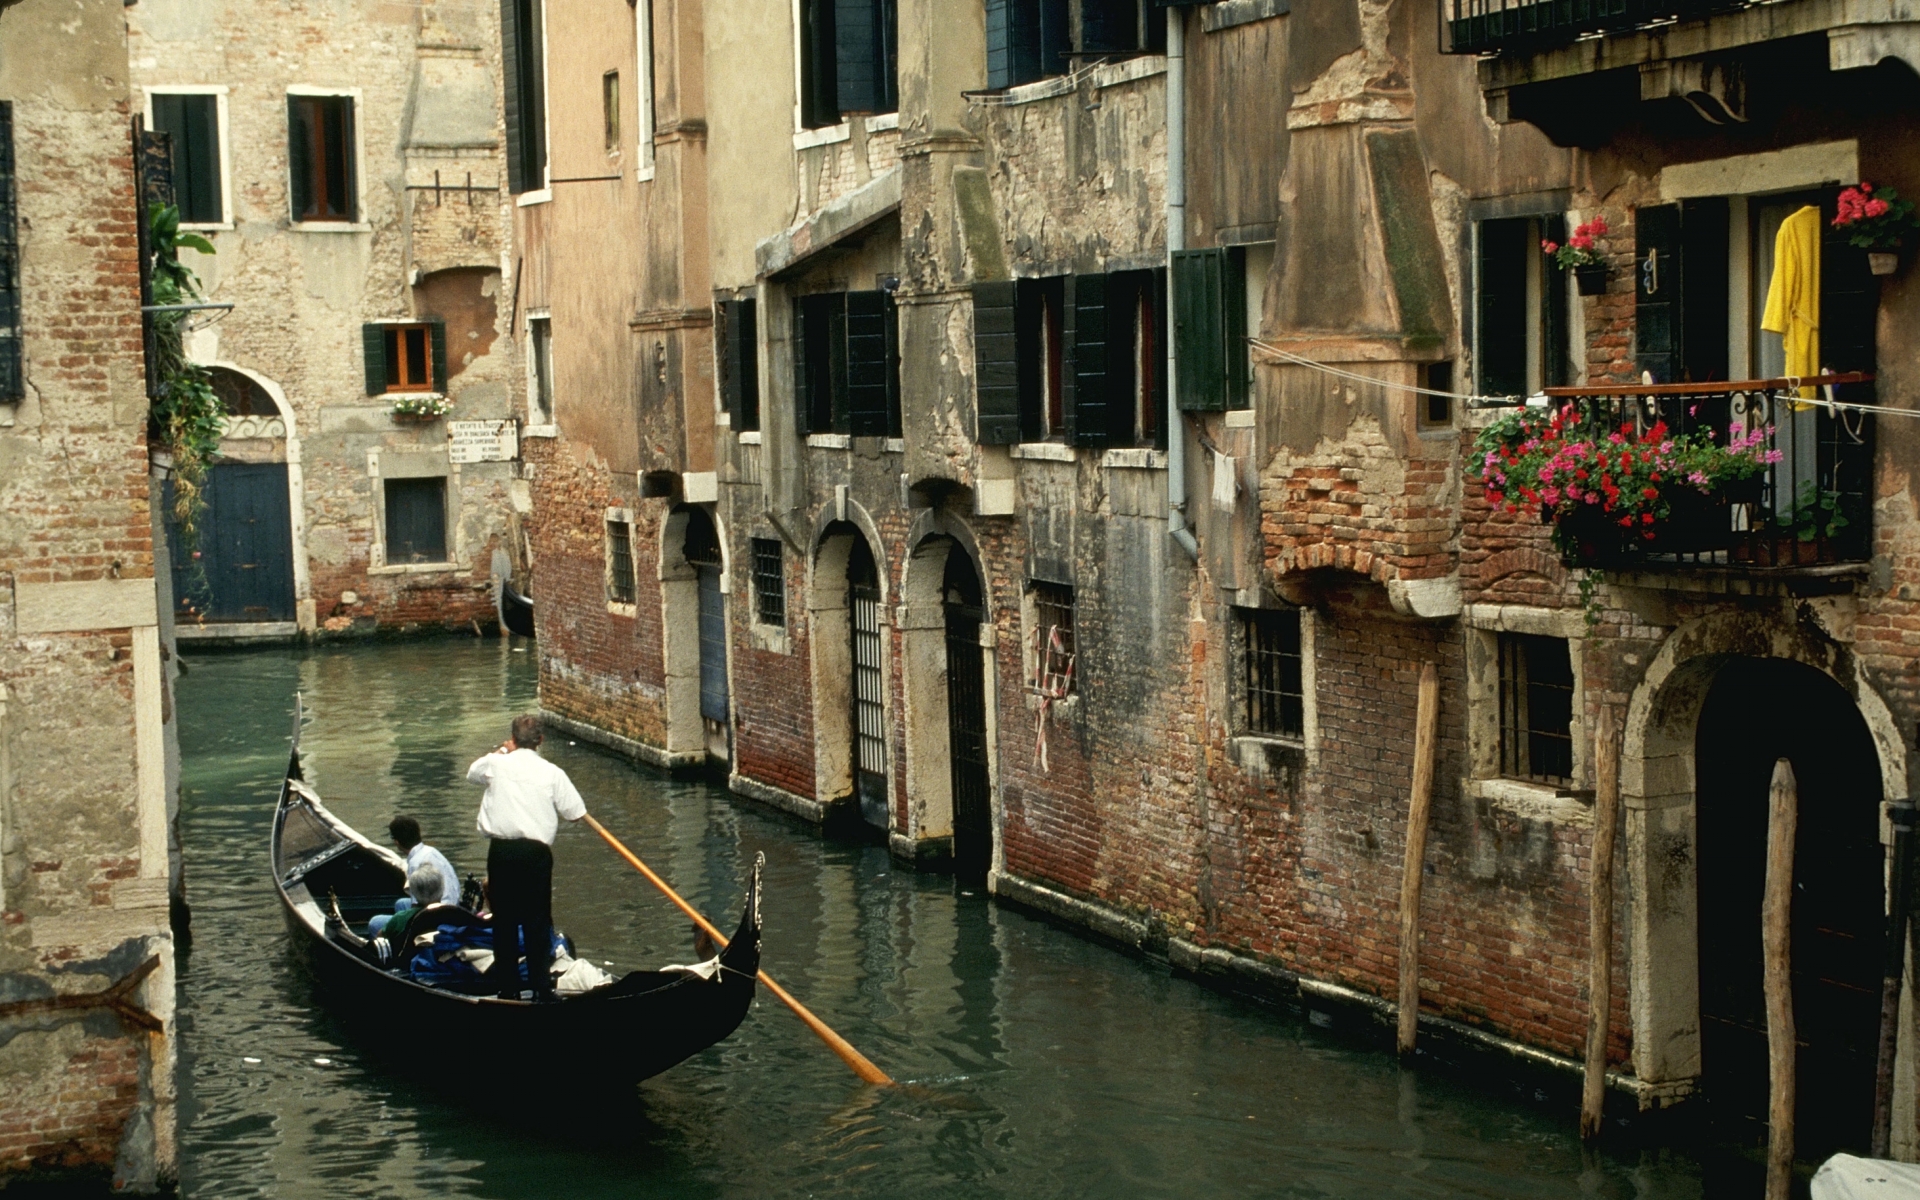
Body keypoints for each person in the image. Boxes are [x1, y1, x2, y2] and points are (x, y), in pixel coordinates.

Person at [467, 714, 586, 1001]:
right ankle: (541, 989)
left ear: (513, 738)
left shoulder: (496, 763)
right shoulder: (552, 772)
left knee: (504, 921)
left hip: (503, 852)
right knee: (537, 921)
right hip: (535, 855)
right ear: (540, 741)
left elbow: (472, 773)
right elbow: (575, 814)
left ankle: (508, 992)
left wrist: (502, 751)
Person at [386, 815, 457, 912]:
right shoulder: (431, 851)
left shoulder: (416, 863)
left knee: (375, 922)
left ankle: (406, 927)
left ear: (397, 842)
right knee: (401, 903)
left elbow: (417, 905)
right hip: (454, 906)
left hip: (439, 915)